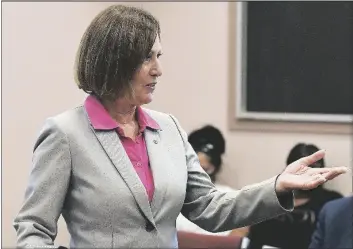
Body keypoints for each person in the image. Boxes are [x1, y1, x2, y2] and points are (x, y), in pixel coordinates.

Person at [13, 5, 347, 249]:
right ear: (114, 61)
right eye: (148, 58)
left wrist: (277, 187)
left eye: (159, 57)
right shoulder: (65, 134)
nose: (158, 70)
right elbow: (32, 230)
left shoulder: (168, 128)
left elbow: (209, 207)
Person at [247, 143, 344, 249]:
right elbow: (254, 239)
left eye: (313, 169)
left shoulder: (331, 202)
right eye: (302, 169)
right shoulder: (270, 200)